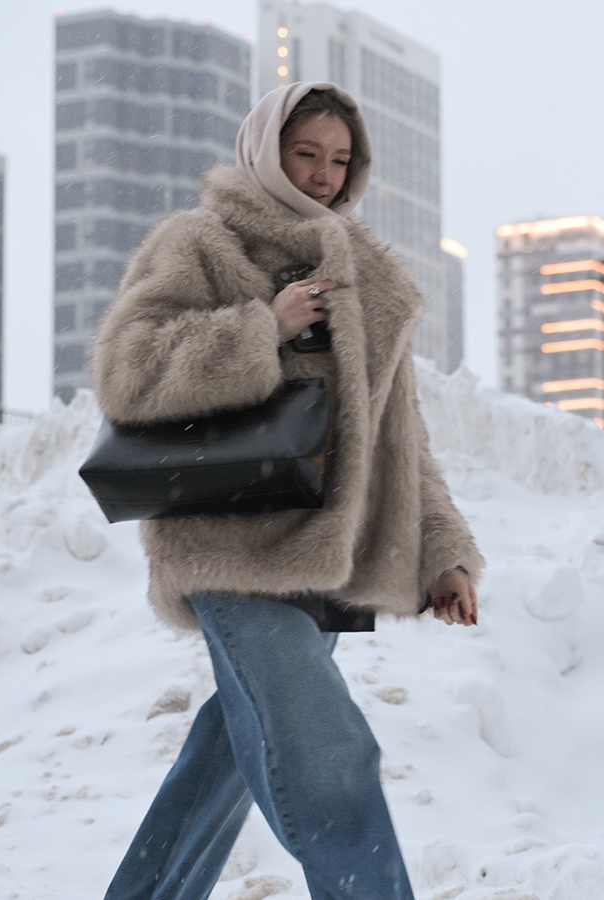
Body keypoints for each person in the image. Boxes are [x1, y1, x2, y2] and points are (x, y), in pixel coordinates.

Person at [90, 82, 484, 900]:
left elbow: (395, 438)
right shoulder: (200, 241)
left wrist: (444, 553)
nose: (323, 177)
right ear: (265, 149)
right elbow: (127, 371)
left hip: (321, 562)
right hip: (227, 547)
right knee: (328, 756)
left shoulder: (361, 273)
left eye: (341, 161)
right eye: (306, 153)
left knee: (225, 765)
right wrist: (258, 328)